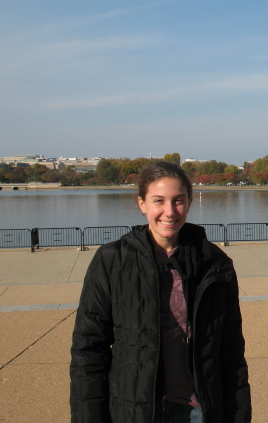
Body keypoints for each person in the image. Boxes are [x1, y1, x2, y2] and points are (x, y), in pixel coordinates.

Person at [70, 162, 251, 423]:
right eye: (159, 200)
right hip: (136, 409)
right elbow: (88, 350)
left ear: (189, 203)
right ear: (142, 204)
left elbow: (231, 351)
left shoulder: (215, 264)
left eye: (178, 200)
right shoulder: (112, 261)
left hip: (198, 410)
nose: (170, 211)